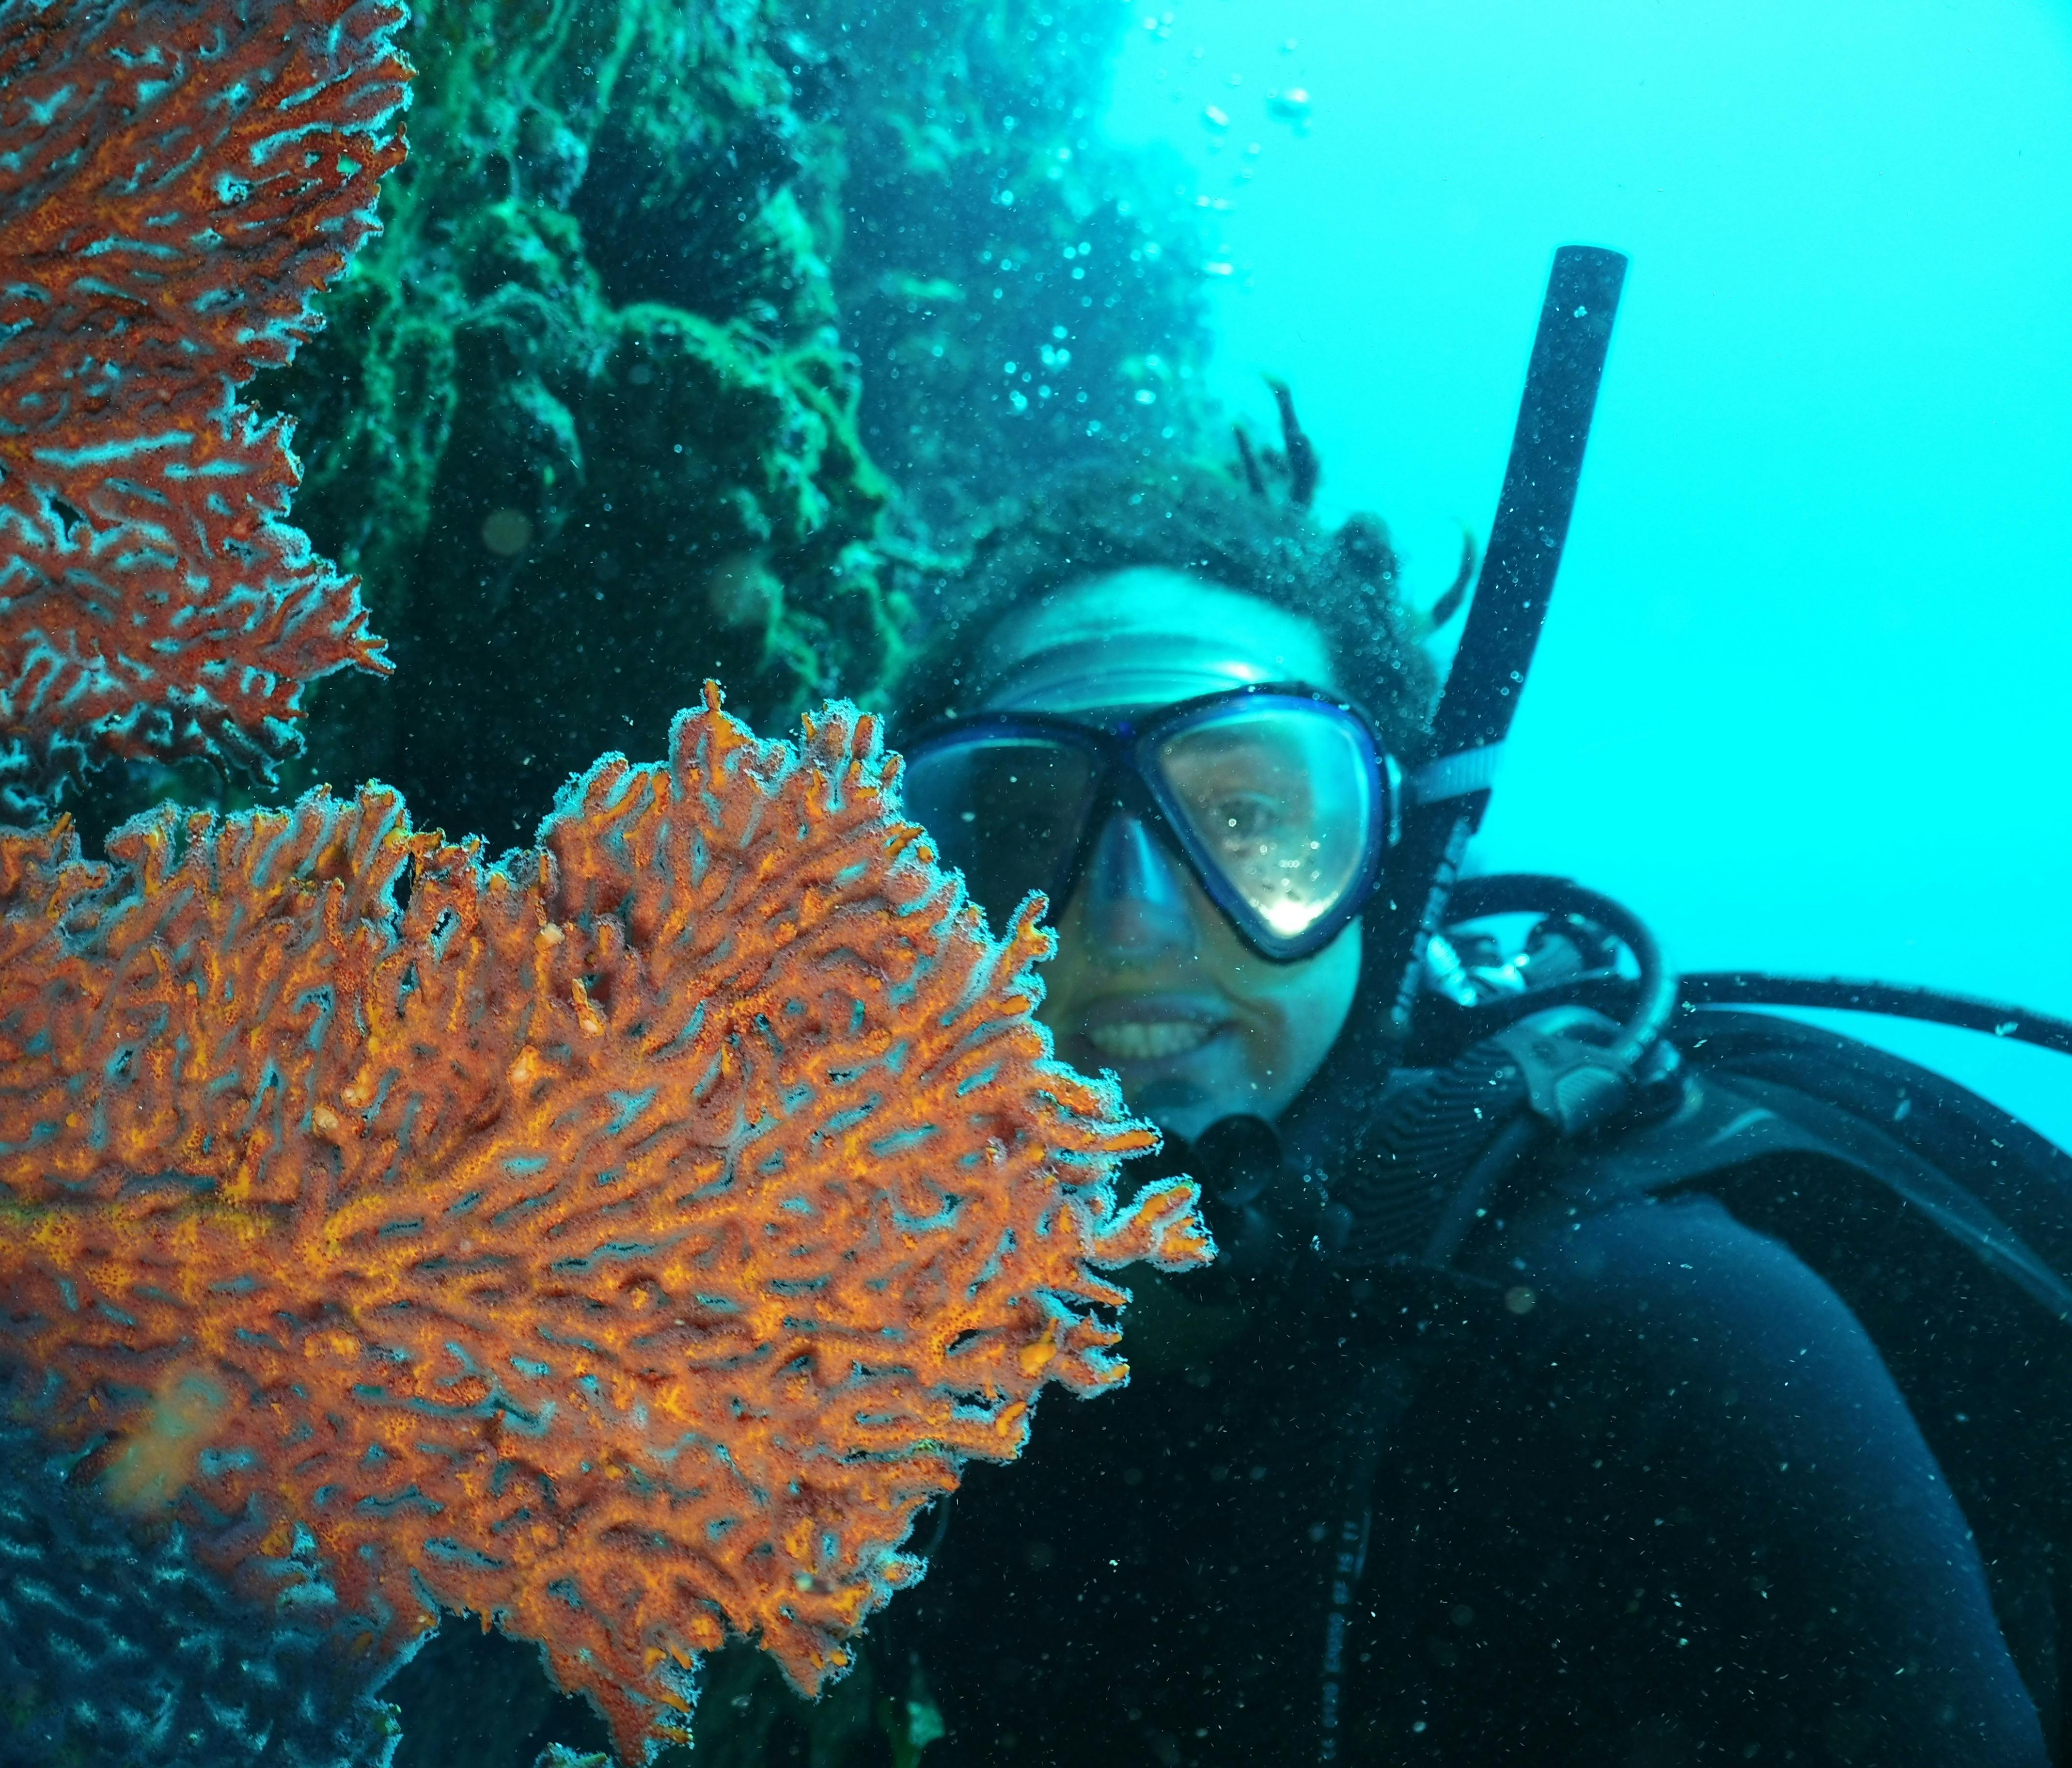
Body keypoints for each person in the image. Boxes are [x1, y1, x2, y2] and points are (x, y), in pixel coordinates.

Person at [847, 452, 2068, 1767]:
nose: (1135, 919)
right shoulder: (830, 1323)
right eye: (1025, 829)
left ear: (1395, 870)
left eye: (1249, 814)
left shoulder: (1660, 1333)